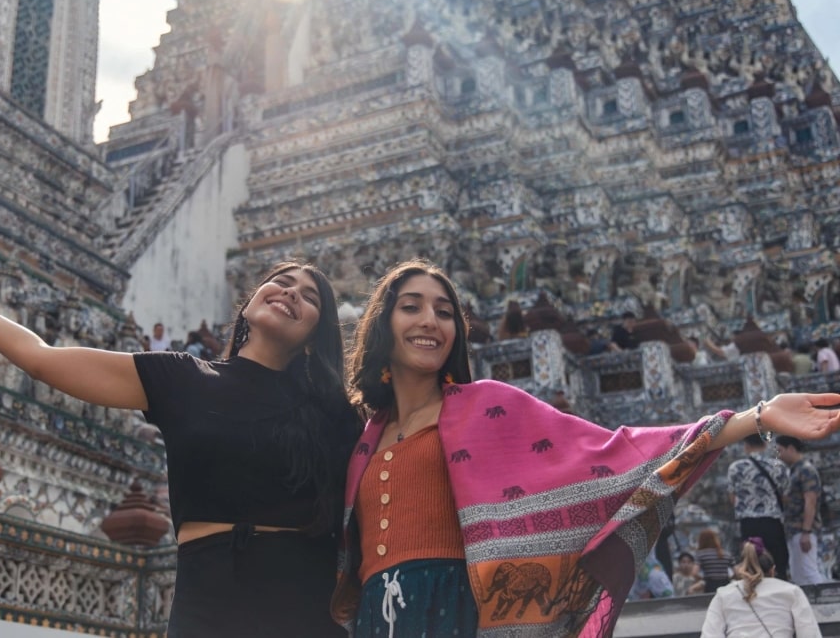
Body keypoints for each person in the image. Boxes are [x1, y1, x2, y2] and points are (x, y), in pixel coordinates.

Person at [330, 259, 840, 637]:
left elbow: (612, 454)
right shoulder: (363, 439)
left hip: (460, 613)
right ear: (383, 325)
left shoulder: (487, 408)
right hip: (380, 618)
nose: (429, 321)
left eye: (444, 311)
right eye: (411, 307)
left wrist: (753, 416)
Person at [0, 256, 362, 638]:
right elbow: (40, 358)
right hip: (207, 593)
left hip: (301, 591)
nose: (291, 293)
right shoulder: (181, 378)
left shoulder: (335, 413)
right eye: (282, 281)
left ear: (316, 335)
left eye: (310, 296)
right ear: (250, 303)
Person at [700, 539, 821, 637]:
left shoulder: (724, 594)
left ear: (741, 570)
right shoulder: (792, 592)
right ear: (772, 571)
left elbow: (710, 635)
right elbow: (809, 633)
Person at [727, 434, 790, 581]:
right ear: (764, 444)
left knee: (750, 561)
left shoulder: (736, 468)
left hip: (748, 523)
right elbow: (785, 497)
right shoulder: (778, 466)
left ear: (746, 445)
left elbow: (732, 497)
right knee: (777, 561)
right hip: (772, 522)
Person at [777, 435, 827, 585]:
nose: (779, 455)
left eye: (780, 450)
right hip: (794, 530)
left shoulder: (806, 470)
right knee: (798, 574)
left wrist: (806, 531)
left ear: (791, 449)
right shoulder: (794, 470)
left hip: (803, 530)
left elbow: (810, 501)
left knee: (808, 572)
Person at [695, 528, 735, 594]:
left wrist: (703, 579)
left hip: (710, 585)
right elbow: (736, 572)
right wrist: (729, 578)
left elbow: (694, 573)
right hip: (725, 584)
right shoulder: (726, 554)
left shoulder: (701, 554)